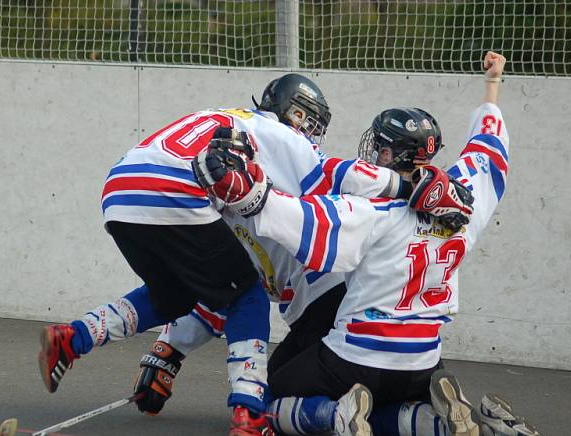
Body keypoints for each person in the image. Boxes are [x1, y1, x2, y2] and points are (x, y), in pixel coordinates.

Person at [37, 74, 411, 436]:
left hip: (120, 192)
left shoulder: (233, 134)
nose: (313, 137)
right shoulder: (282, 144)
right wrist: (409, 185)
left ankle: (74, 337)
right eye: (312, 126)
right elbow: (333, 173)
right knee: (246, 297)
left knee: (177, 292)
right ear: (297, 115)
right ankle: (248, 416)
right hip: (185, 197)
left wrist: (166, 354)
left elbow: (209, 295)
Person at [195, 51, 513, 436]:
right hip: (426, 360)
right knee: (394, 402)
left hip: (358, 355)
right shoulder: (467, 201)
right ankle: (440, 424)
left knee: (271, 396)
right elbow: (488, 151)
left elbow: (301, 220)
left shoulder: (370, 211)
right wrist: (492, 85)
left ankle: (336, 416)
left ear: (389, 153)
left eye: (379, 146)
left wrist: (246, 191)